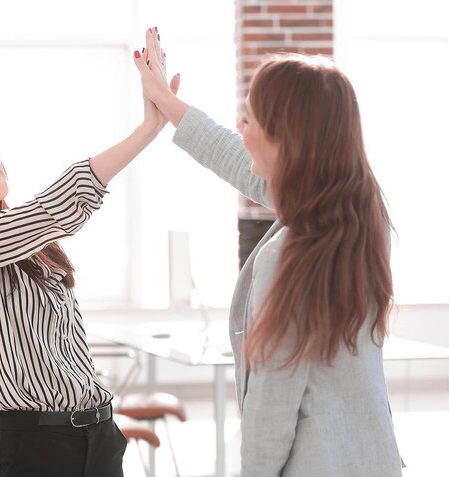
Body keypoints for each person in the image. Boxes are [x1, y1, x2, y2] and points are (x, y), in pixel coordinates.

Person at [134, 28, 403, 476]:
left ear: (287, 139)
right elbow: (247, 164)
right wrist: (167, 102)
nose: (242, 130)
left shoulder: (289, 256)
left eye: (251, 120)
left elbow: (271, 409)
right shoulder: (362, 216)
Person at [0, 50, 179, 477]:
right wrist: (147, 130)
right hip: (35, 448)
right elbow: (56, 208)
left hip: (98, 434)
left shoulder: (30, 242)